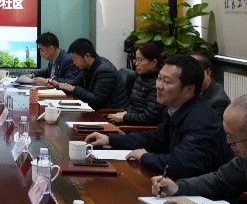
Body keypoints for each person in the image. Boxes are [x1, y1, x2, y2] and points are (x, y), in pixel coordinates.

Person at [85, 54, 230, 178]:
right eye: (159, 78)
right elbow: (154, 139)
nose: (159, 86)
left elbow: (182, 164)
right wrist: (110, 139)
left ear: (189, 90)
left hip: (201, 193)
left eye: (167, 82)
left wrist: (145, 156)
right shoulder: (174, 110)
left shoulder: (201, 119)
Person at [54, 38, 127, 109]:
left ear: (87, 56)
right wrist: (58, 83)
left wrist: (74, 89)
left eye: (76, 58)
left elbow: (97, 101)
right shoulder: (88, 67)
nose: (74, 62)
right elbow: (75, 83)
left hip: (111, 113)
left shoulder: (105, 71)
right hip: (97, 109)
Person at [106, 42, 165, 125]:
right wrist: (125, 114)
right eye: (136, 59)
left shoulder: (157, 85)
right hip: (131, 122)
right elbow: (133, 107)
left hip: (141, 128)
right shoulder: (139, 77)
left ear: (153, 62)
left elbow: (148, 118)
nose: (136, 63)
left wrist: (124, 118)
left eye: (140, 60)